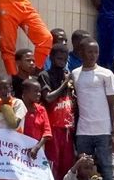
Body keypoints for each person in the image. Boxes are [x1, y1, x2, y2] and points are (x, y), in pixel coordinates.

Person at [70, 38, 114, 180]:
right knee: (84, 171)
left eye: (96, 52)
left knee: (107, 169)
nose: (93, 55)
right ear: (80, 53)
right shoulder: (74, 74)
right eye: (89, 52)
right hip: (83, 132)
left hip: (104, 131)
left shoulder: (106, 74)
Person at [39, 43, 75, 180]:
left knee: (66, 165)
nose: (62, 63)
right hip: (52, 128)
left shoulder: (67, 75)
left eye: (65, 60)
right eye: (59, 59)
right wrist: (65, 83)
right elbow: (48, 97)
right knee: (52, 164)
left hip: (67, 128)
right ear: (52, 58)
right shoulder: (45, 75)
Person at [21, 79, 53, 159]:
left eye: (39, 91)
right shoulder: (18, 107)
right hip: (19, 150)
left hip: (37, 152)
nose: (39, 94)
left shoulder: (41, 110)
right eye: (35, 91)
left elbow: (47, 132)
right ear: (25, 92)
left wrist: (37, 147)